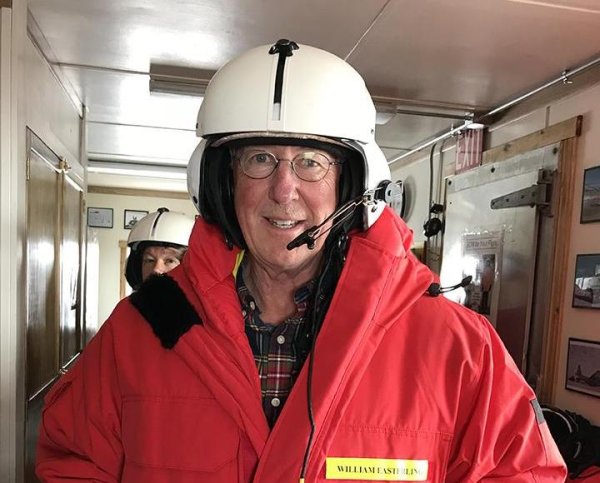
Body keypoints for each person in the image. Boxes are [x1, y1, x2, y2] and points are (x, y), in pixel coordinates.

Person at [36, 39, 566, 482]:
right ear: (220, 183)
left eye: (311, 162)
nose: (283, 190)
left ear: (352, 187)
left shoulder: (459, 348)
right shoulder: (137, 333)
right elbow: (73, 464)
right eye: (260, 159)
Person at [124, 207, 195, 290]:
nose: (156, 269)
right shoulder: (126, 303)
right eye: (150, 260)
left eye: (169, 261)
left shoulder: (205, 302)